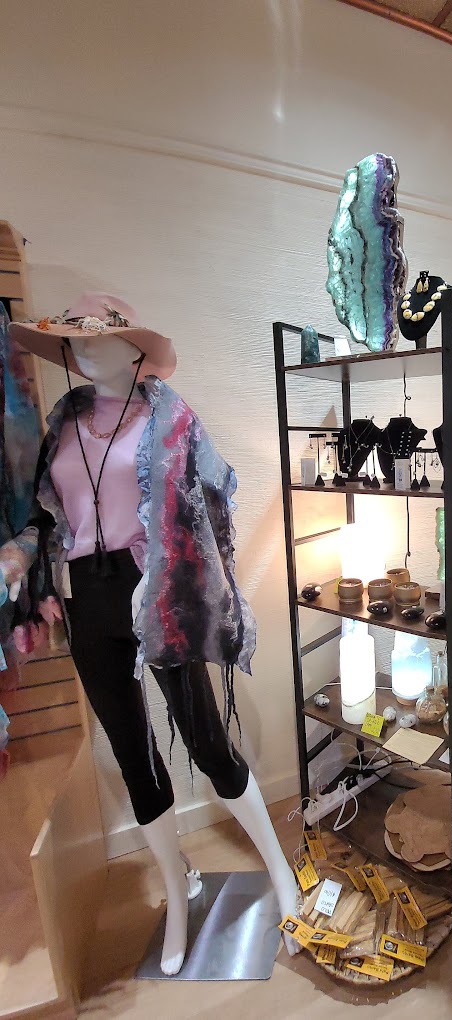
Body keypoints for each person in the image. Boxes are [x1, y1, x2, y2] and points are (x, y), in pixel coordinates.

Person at [0, 294, 287, 976]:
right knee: (134, 754)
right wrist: (18, 551)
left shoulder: (170, 418)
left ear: (135, 350)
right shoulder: (63, 423)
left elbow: (210, 501)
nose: (84, 351)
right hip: (87, 600)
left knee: (207, 740)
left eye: (100, 338)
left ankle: (280, 871)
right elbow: (47, 514)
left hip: (156, 591)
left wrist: (196, 581)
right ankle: (177, 893)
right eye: (75, 341)